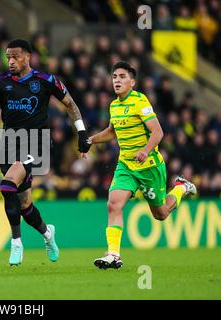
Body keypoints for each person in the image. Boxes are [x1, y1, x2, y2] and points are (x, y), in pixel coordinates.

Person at [0, 39, 91, 266]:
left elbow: (70, 104)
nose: (11, 61)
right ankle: (47, 234)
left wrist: (81, 133)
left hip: (36, 143)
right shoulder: (0, 83)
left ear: (28, 57)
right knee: (24, 205)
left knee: (6, 185)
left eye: (16, 57)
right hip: (9, 145)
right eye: (8, 58)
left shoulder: (45, 80)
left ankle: (16, 243)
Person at [82, 61, 197, 269]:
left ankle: (181, 187)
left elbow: (158, 132)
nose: (117, 80)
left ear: (132, 82)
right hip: (126, 165)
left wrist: (145, 150)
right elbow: (111, 131)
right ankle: (113, 254)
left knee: (160, 213)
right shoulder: (114, 105)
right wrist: (90, 141)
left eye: (122, 77)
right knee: (113, 204)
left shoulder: (140, 101)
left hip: (148, 166)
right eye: (114, 76)